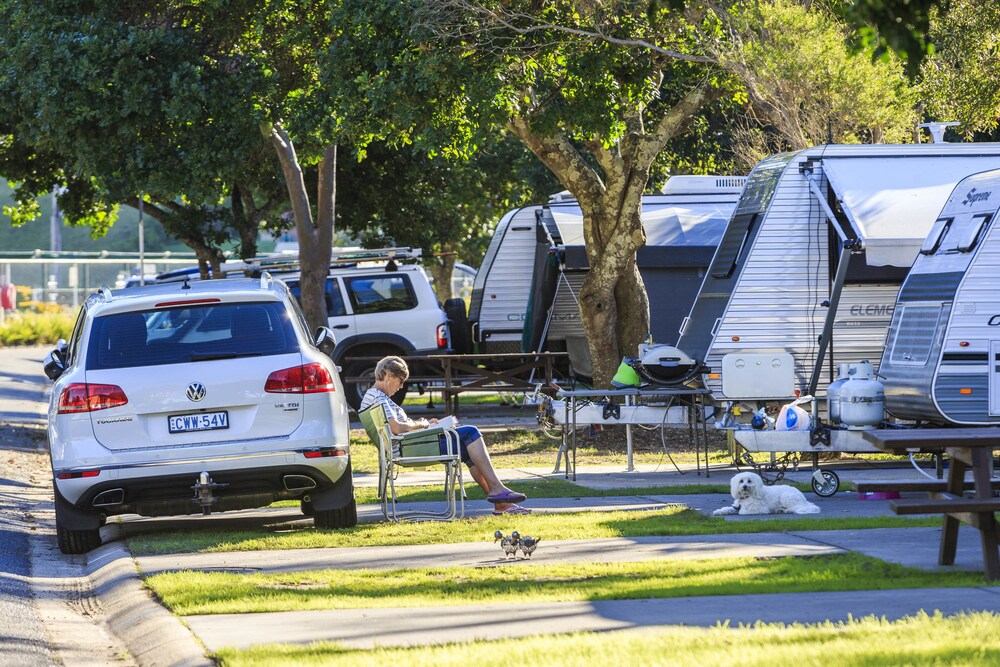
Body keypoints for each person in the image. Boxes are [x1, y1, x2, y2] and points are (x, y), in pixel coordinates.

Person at [360, 355, 530, 515]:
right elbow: (397, 428)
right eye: (401, 381)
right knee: (471, 432)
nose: (401, 386)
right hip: (412, 449)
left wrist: (427, 425)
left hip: (413, 444)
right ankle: (499, 493)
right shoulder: (379, 397)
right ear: (389, 375)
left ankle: (500, 501)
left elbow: (396, 428)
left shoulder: (373, 396)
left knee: (468, 449)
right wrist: (422, 424)